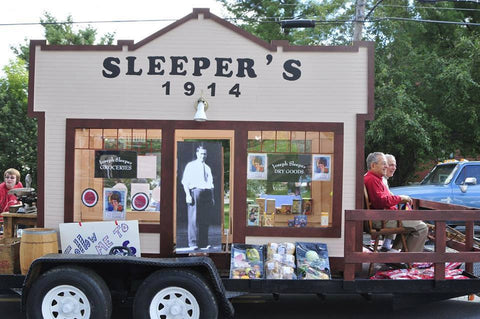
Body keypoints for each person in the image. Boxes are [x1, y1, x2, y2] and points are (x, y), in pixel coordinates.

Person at [364, 152, 428, 253]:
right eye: (384, 163)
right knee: (422, 227)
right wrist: (401, 198)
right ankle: (406, 259)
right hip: (381, 219)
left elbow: (383, 200)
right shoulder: (372, 179)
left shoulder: (374, 178)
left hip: (383, 217)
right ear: (373, 165)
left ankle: (394, 252)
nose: (386, 166)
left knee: (411, 221)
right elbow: (381, 202)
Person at [181, 145, 215, 250]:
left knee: (205, 219)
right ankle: (193, 243)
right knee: (193, 219)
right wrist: (187, 194)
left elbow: (211, 183)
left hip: (207, 193)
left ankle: (204, 243)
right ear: (197, 154)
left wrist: (212, 197)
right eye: (201, 153)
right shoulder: (191, 166)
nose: (203, 156)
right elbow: (185, 181)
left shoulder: (208, 167)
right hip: (195, 192)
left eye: (205, 154)